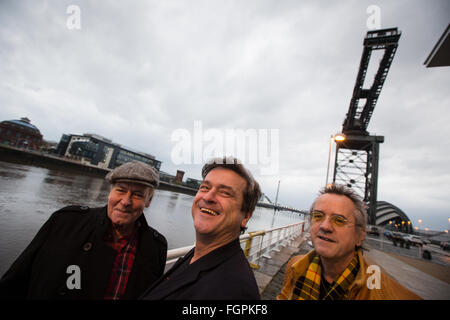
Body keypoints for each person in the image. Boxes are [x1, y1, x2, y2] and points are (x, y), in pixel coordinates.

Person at [0, 161, 167, 300]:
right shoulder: (66, 221)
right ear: (110, 192)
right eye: (121, 190)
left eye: (137, 195)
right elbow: (16, 280)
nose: (125, 201)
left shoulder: (156, 246)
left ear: (149, 201)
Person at [141, 157, 262, 300]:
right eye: (205, 187)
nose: (208, 197)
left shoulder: (235, 292)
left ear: (246, 216)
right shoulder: (197, 257)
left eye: (225, 192)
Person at [277, 184, 421, 300]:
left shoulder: (389, 295)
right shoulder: (295, 266)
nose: (325, 226)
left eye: (339, 220)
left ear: (360, 236)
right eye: (318, 216)